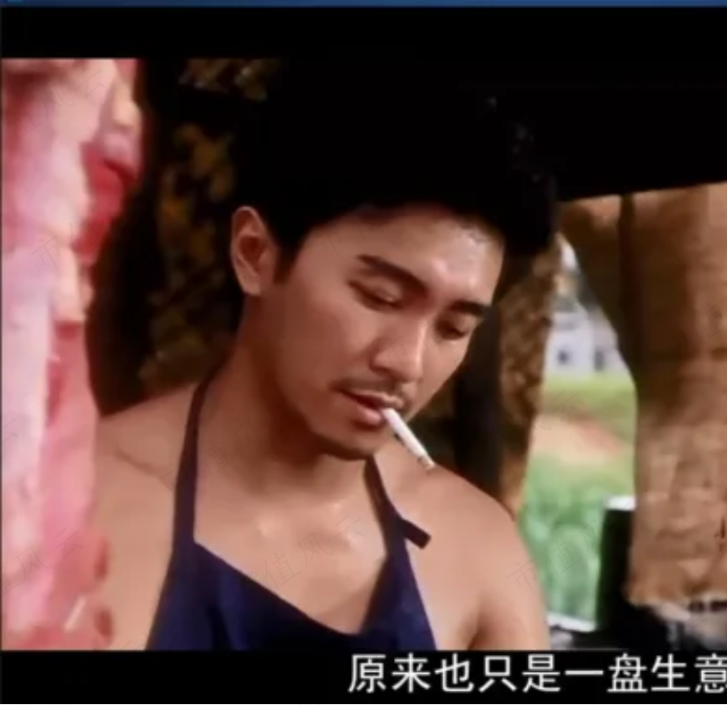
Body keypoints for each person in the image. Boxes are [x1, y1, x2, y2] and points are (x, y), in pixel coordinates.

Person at [93, 65, 556, 650]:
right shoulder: (88, 505)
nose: (408, 363)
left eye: (453, 327)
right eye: (380, 297)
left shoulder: (477, 551)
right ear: (255, 254)